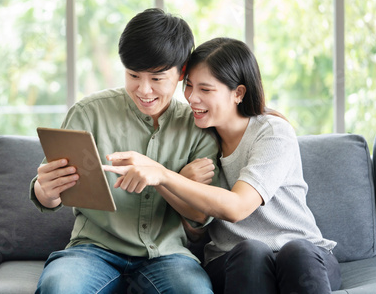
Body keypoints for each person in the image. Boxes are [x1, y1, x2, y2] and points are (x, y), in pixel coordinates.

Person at [104, 37, 341, 293]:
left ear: (238, 93)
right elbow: (195, 231)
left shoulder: (272, 132)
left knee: (296, 249)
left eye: (205, 90)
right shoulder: (198, 138)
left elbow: (237, 207)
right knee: (250, 250)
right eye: (189, 86)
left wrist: (165, 175)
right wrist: (181, 185)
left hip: (303, 260)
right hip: (233, 260)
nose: (192, 98)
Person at [30, 8, 220, 294]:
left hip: (166, 254)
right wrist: (45, 192)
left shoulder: (199, 126)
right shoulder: (88, 113)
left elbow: (199, 218)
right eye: (133, 75)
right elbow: (48, 196)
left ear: (181, 72)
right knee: (59, 288)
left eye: (157, 78)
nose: (144, 90)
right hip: (93, 250)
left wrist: (164, 176)